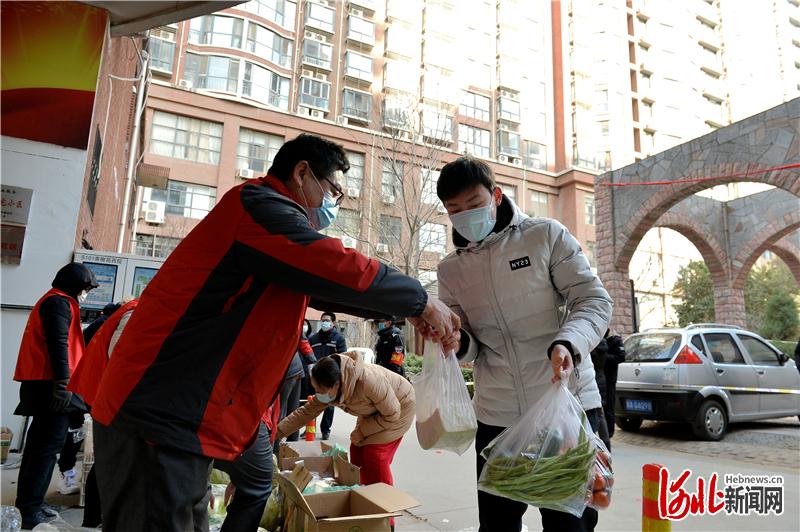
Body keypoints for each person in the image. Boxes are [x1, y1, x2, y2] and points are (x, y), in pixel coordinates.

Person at [88, 133, 459, 531]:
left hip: (177, 416)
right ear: (302, 173)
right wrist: (422, 301)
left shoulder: (270, 235)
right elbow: (331, 266)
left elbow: (324, 286)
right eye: (333, 190)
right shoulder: (259, 208)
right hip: (160, 412)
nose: (332, 204)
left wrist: (411, 311)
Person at [435, 156, 612, 532]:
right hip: (497, 417)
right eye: (454, 210)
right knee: (498, 525)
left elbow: (594, 301)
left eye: (474, 204)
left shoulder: (544, 235)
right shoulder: (451, 270)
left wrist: (568, 342)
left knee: (570, 525)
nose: (465, 215)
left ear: (496, 196)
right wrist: (456, 341)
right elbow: (470, 344)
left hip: (565, 409)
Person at [13, 262, 97, 529]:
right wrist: (63, 385)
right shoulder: (58, 304)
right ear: (76, 286)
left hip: (44, 384)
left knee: (40, 448)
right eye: (85, 288)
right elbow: (58, 343)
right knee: (45, 450)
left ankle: (30, 503)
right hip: (51, 386)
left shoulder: (55, 302)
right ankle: (30, 510)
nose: (86, 293)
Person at [276, 353, 413, 517]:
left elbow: (392, 413)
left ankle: (385, 514)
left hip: (399, 409)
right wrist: (276, 433)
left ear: (336, 385)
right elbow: (305, 412)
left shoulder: (368, 381)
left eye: (321, 390)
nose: (318, 393)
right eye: (316, 389)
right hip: (373, 413)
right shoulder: (330, 385)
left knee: (375, 456)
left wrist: (362, 431)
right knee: (356, 451)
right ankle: (362, 500)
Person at [69, 297, 139, 528]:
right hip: (109, 395)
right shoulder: (135, 312)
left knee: (108, 459)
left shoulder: (131, 310)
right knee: (111, 459)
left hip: (102, 391)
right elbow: (122, 358)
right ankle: (95, 519)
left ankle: (95, 518)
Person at [56, 301, 121, 496]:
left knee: (77, 429)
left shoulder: (104, 322)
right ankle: (67, 475)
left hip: (83, 384)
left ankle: (68, 473)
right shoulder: (108, 324)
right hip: (86, 386)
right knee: (76, 430)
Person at [308, 311, 348, 440]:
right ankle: (309, 428)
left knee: (329, 404)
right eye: (323, 320)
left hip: (331, 376)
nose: (324, 323)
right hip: (315, 375)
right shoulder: (313, 339)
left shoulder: (339, 339)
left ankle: (325, 430)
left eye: (327, 320)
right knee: (310, 402)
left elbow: (343, 358)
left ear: (333, 323)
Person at [279, 333, 316, 442]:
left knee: (278, 411)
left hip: (285, 369)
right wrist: (312, 361)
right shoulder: (292, 320)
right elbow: (303, 341)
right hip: (296, 368)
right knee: (293, 409)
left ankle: (275, 450)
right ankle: (291, 448)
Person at [603, 331, 626, 439]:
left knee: (609, 406)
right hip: (599, 377)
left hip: (609, 378)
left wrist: (604, 356)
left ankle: (609, 434)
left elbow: (621, 357)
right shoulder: (599, 338)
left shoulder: (615, 340)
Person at [589, 335, 611, 449]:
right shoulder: (603, 345)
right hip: (601, 379)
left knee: (597, 413)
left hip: (593, 380)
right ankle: (606, 444)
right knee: (600, 414)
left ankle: (600, 445)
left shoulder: (591, 346)